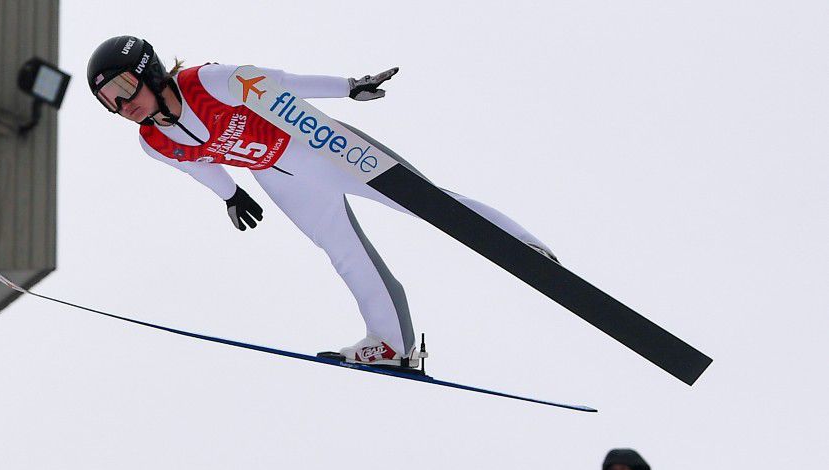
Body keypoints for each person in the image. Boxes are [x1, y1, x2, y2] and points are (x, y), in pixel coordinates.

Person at [86, 36, 555, 365]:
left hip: (317, 145)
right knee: (344, 254)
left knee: (426, 202)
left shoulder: (207, 81)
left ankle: (520, 245)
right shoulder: (154, 142)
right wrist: (230, 195)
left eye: (124, 89)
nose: (123, 106)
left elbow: (282, 83)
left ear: (147, 70)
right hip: (281, 179)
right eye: (109, 101)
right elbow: (198, 164)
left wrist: (348, 87)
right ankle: (390, 344)